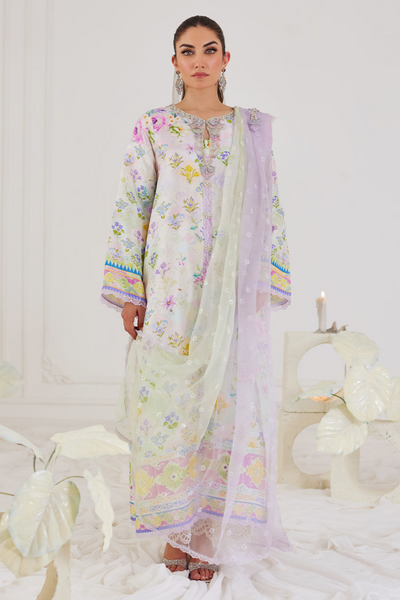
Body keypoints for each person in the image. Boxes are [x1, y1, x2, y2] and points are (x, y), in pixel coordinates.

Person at [101, 15, 292, 584]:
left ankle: (206, 536)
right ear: (175, 62)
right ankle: (176, 530)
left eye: (210, 50)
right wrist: (129, 289)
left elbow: (271, 206)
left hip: (231, 289)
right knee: (171, 404)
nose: (199, 60)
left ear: (226, 59)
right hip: (170, 287)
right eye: (188, 51)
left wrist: (262, 283)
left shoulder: (249, 129)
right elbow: (132, 204)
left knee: (224, 407)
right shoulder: (155, 126)